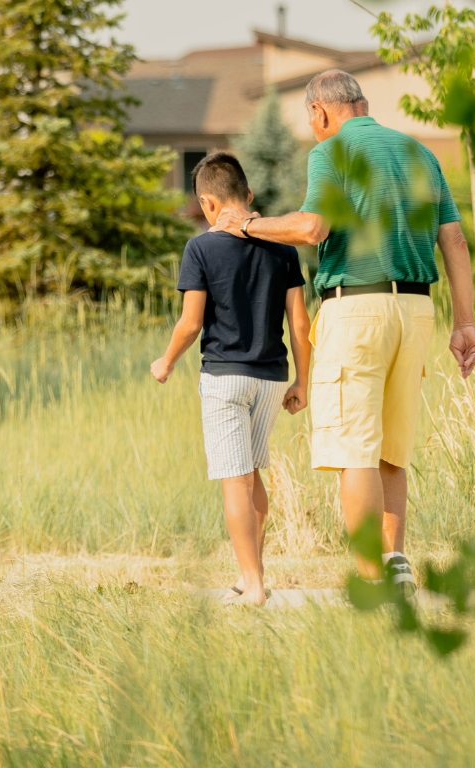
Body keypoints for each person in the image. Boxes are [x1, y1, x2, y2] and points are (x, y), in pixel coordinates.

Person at [212, 70, 475, 594]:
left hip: (356, 308)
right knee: (390, 448)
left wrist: (245, 224)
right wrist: (465, 324)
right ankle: (396, 562)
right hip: (416, 313)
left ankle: (369, 579)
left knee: (354, 449)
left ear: (320, 113)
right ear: (361, 104)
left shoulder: (330, 151)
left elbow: (313, 228)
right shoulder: (420, 153)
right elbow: (454, 240)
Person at [151, 152, 312, 606]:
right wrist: (303, 381)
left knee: (234, 480)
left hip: (225, 377)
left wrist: (165, 362)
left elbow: (190, 323)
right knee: (252, 475)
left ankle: (254, 585)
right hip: (270, 379)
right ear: (249, 196)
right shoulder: (282, 248)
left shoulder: (200, 248)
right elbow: (300, 323)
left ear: (206, 204)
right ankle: (251, 576)